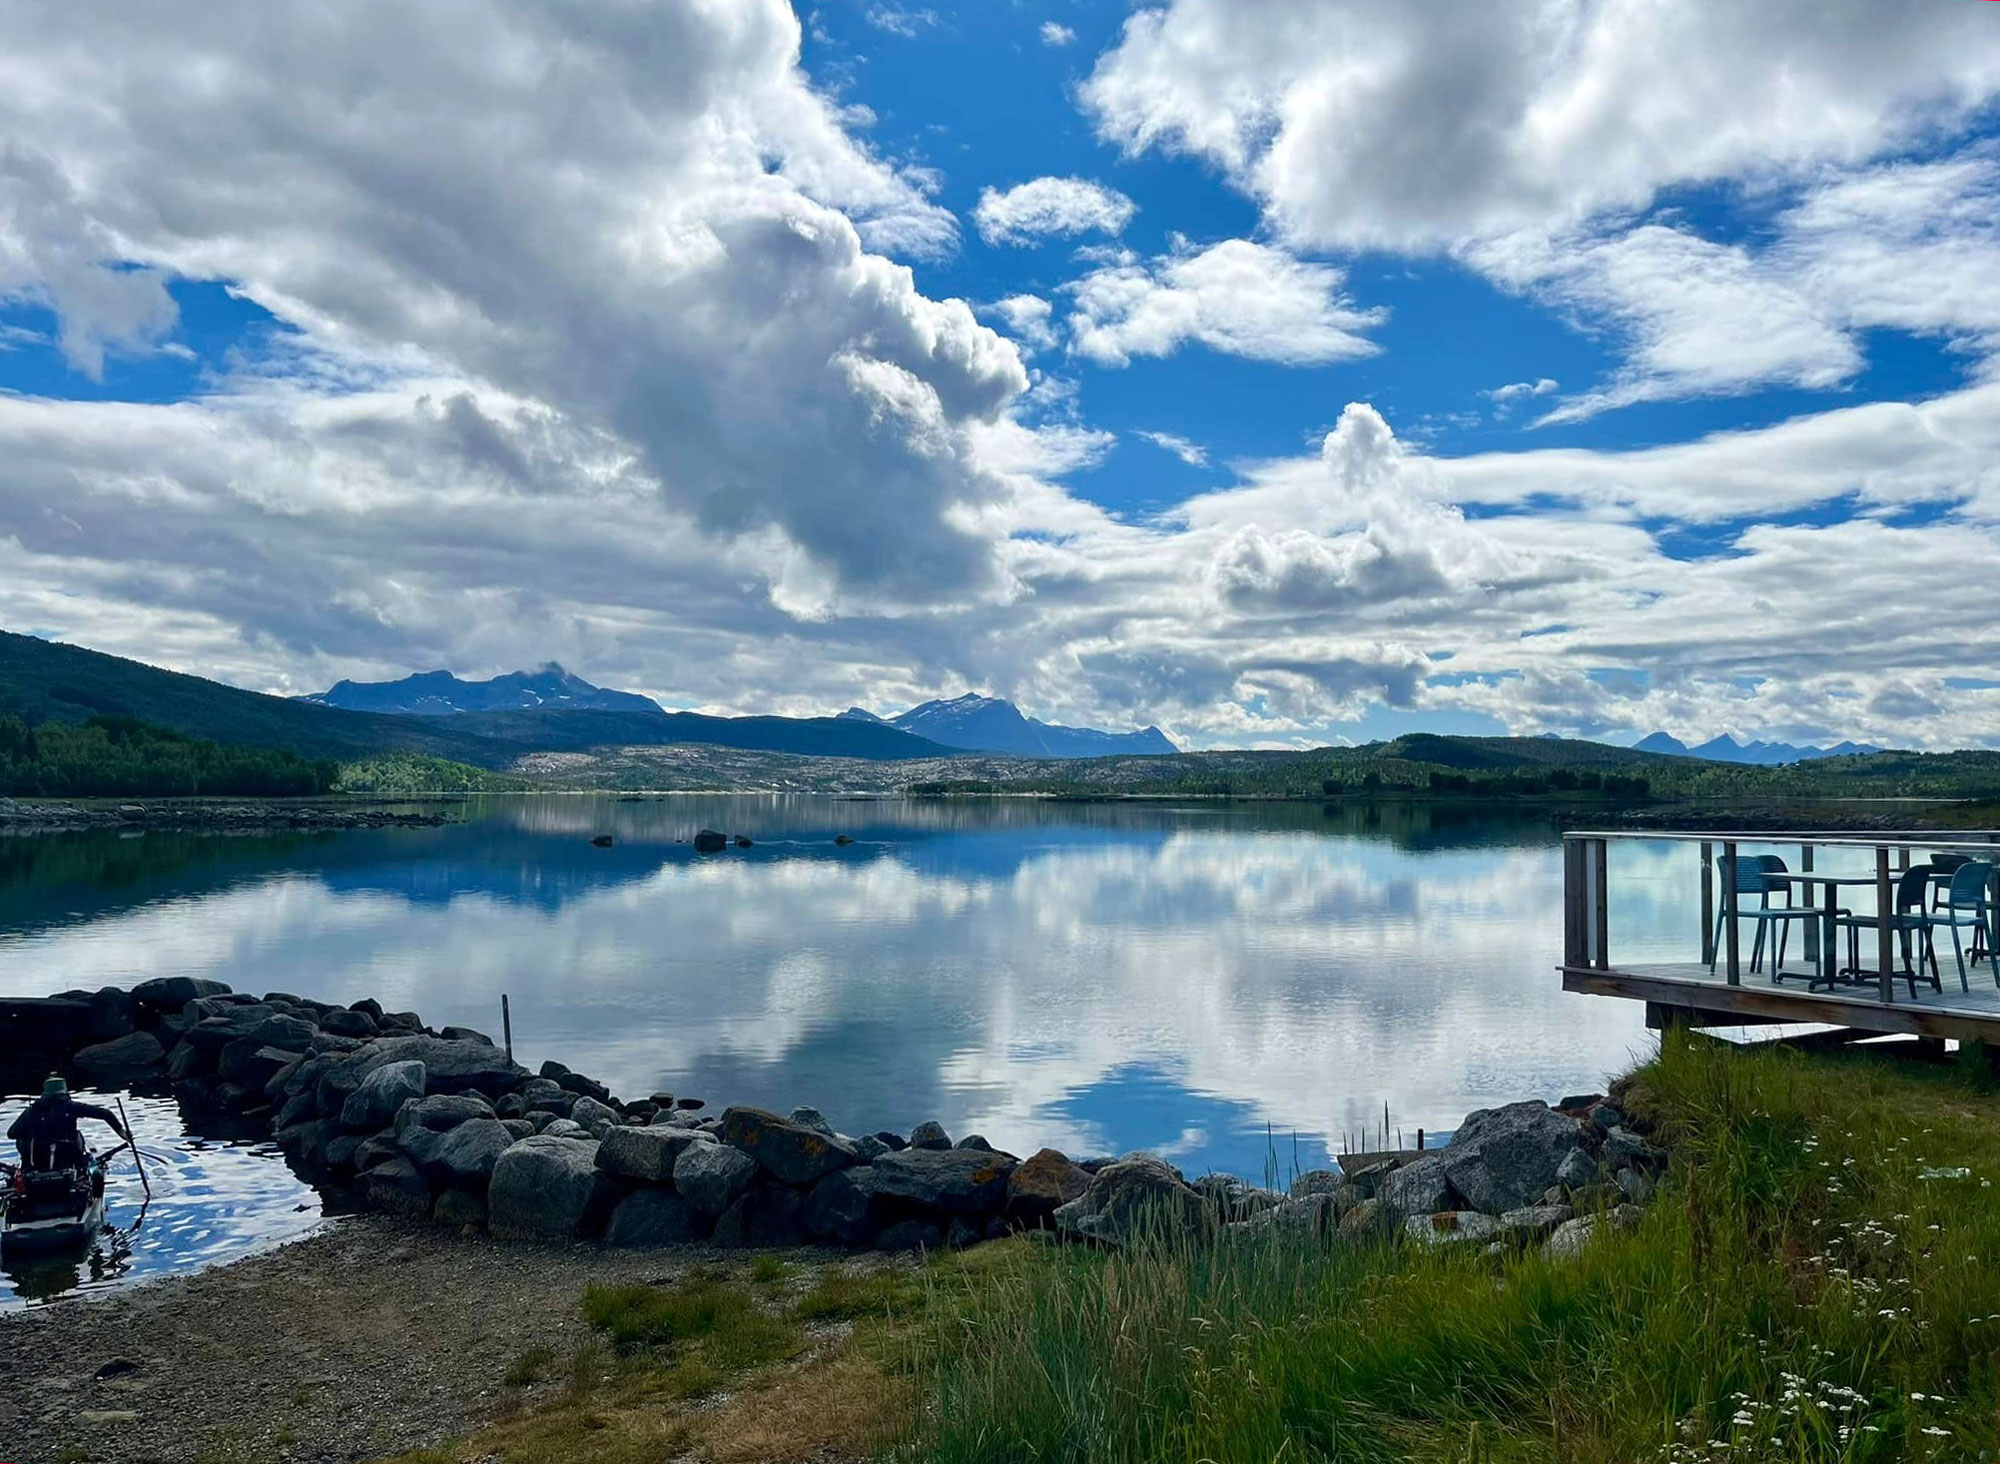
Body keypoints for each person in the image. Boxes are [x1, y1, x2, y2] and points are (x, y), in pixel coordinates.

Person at [7, 1075, 129, 1173]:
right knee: (78, 1136)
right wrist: (122, 1132)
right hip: (69, 1156)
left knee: (22, 1139)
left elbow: (11, 1134)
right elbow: (105, 1114)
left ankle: (26, 1169)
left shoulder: (32, 1111)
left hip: (38, 1159)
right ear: (64, 1091)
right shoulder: (71, 1107)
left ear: (45, 1091)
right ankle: (81, 1169)